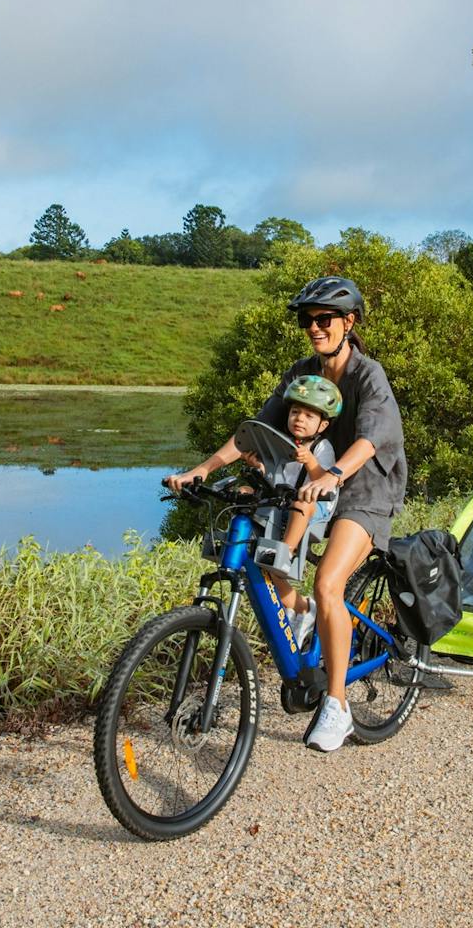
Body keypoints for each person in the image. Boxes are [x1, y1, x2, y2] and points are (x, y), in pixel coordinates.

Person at [165, 275, 407, 753]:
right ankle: (301, 613)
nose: (314, 328)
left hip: (366, 487)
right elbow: (254, 431)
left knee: (329, 584)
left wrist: (332, 473)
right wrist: (202, 469)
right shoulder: (302, 373)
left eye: (324, 319)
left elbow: (370, 440)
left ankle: (337, 706)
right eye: (307, 321)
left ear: (348, 322)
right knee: (264, 554)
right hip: (308, 482)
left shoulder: (368, 375)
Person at [248, 374, 342, 648]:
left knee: (302, 504)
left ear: (323, 424)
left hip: (316, 506)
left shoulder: (321, 447)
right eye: (295, 412)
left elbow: (324, 480)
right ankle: (301, 608)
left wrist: (310, 460)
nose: (299, 419)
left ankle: (285, 552)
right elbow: (277, 479)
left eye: (309, 416)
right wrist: (259, 467)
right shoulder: (283, 444)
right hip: (286, 505)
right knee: (246, 493)